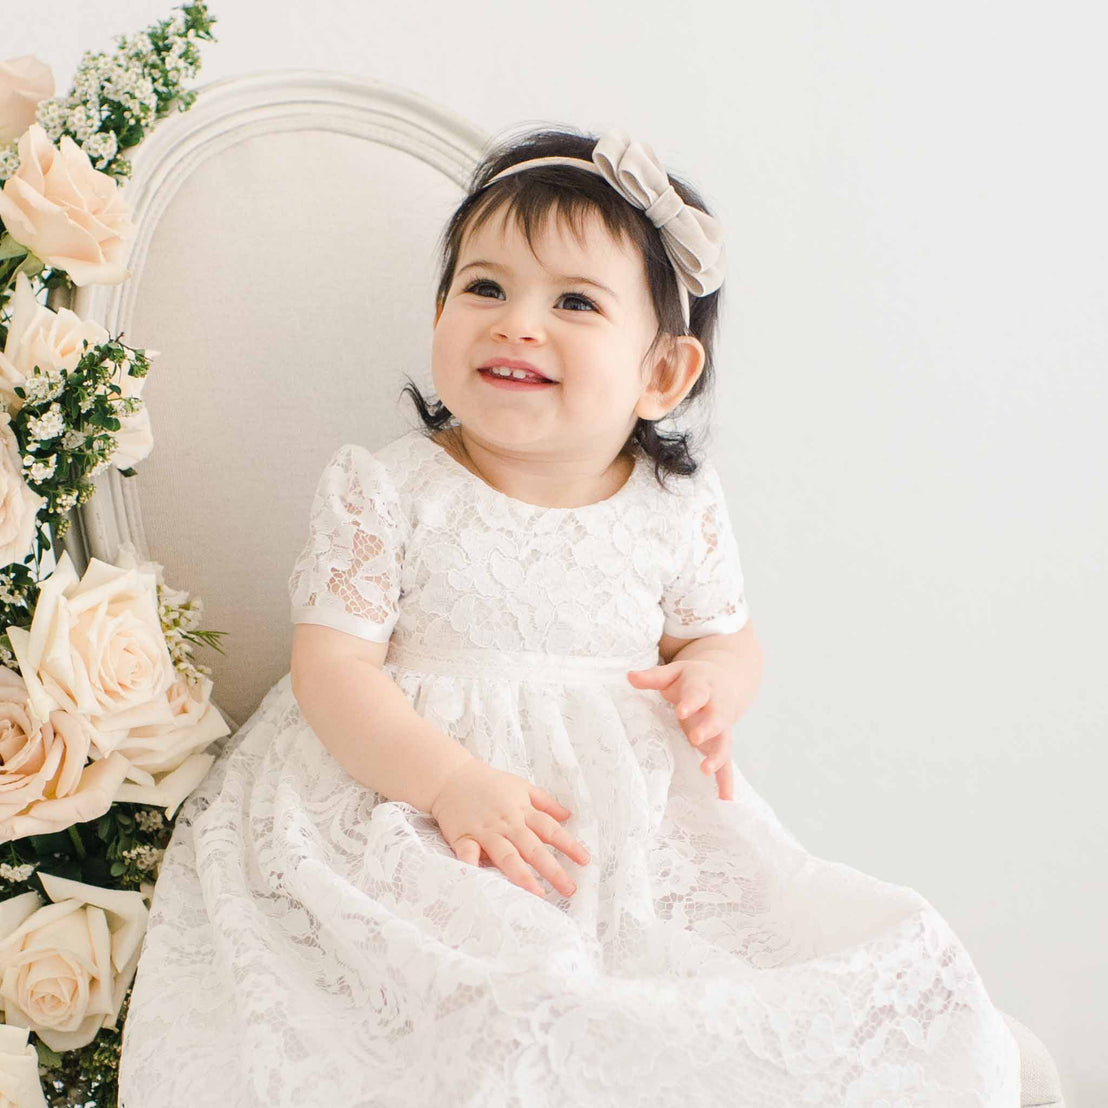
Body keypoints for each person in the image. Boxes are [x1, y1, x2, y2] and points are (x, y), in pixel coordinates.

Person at [118, 126, 1020, 1107]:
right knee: (495, 995)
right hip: (411, 813)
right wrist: (451, 780)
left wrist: (715, 679)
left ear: (661, 375)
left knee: (796, 969)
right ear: (438, 314)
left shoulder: (674, 508)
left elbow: (722, 636)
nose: (517, 324)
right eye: (485, 288)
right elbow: (333, 671)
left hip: (618, 831)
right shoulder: (387, 488)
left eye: (575, 303)